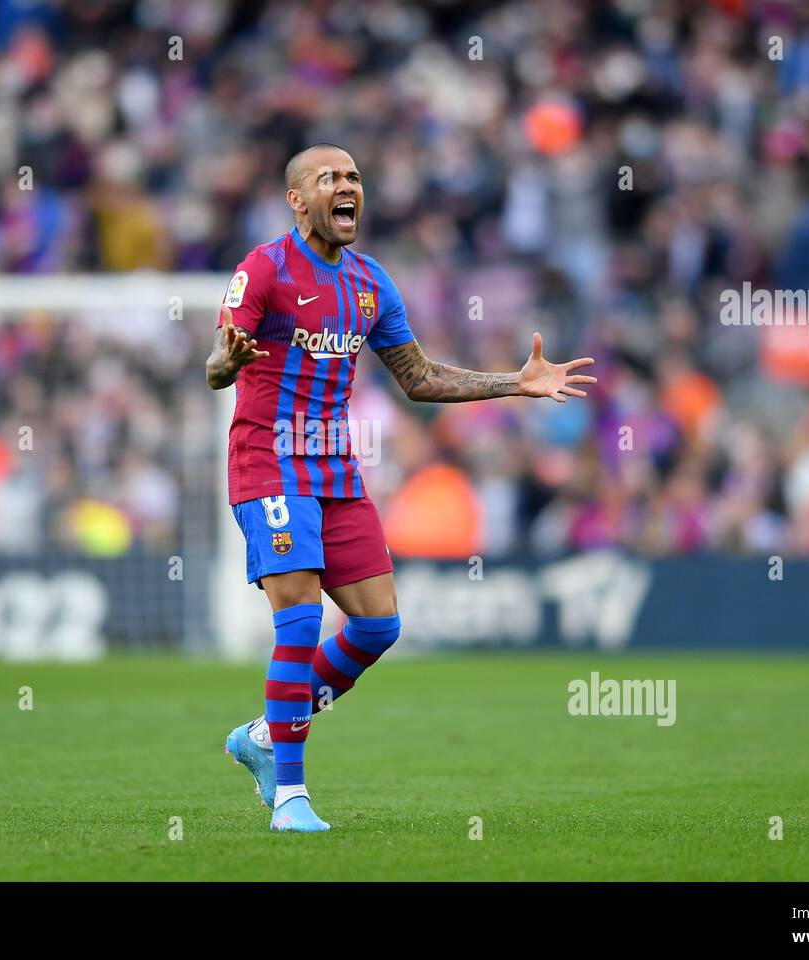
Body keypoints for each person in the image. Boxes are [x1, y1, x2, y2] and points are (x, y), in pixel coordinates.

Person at [205, 144, 597, 831]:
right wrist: (226, 360)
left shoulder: (369, 281)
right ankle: (291, 797)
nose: (348, 185)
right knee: (298, 616)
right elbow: (216, 365)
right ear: (298, 200)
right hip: (268, 460)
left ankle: (267, 735)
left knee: (379, 624)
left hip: (334, 468)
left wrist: (515, 381)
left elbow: (417, 378)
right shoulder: (263, 268)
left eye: (355, 175)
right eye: (330, 177)